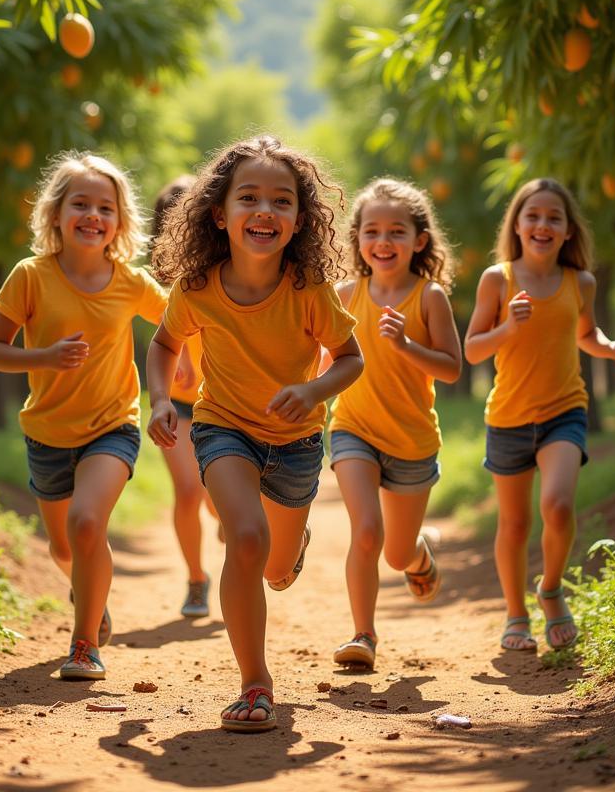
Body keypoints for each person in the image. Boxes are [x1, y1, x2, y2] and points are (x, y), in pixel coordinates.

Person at [146, 135, 363, 733]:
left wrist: (314, 391)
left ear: (299, 220)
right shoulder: (197, 288)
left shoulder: (308, 288)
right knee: (244, 538)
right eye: (249, 198)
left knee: (274, 566)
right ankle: (254, 683)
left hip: (295, 441)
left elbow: (350, 358)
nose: (264, 211)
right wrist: (162, 399)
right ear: (220, 213)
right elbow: (164, 344)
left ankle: (290, 549)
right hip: (223, 428)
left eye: (281, 201)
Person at [0, 151, 167, 680]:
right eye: (80, 204)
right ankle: (91, 592)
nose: (93, 215)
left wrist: (186, 367)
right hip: (47, 431)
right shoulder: (30, 276)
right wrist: (43, 356)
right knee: (64, 545)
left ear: (119, 222)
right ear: (56, 214)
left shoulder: (130, 281)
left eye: (105, 207)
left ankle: (85, 644)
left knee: (88, 523)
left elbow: (182, 321)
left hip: (113, 425)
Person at [464, 178, 615, 653]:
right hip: (508, 416)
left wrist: (610, 348)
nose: (542, 224)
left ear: (567, 231)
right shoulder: (497, 279)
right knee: (514, 525)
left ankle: (551, 590)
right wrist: (507, 326)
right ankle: (515, 614)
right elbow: (473, 350)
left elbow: (585, 334)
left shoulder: (581, 281)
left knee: (557, 506)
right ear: (517, 226)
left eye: (553, 218)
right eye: (532, 216)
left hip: (564, 410)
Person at [327, 178, 462, 671]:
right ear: (358, 239)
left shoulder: (429, 298)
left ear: (419, 240)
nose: (383, 242)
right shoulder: (344, 294)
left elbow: (451, 367)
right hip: (353, 429)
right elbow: (325, 362)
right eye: (372, 231)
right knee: (366, 532)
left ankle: (419, 555)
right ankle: (363, 633)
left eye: (396, 232)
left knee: (396, 552)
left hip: (412, 442)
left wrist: (406, 346)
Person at [151, 176, 221, 619]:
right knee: (188, 491)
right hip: (177, 405)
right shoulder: (161, 283)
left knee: (217, 498)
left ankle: (230, 524)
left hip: (223, 405)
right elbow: (160, 337)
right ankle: (196, 579)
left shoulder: (226, 274)